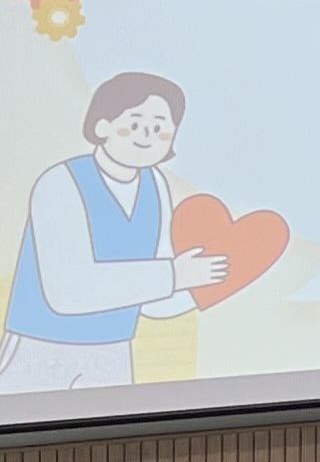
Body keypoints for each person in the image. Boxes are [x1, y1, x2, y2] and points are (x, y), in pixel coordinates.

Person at [6, 74, 227, 392]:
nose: (147, 135)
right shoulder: (61, 182)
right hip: (42, 345)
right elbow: (68, 292)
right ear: (101, 126)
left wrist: (205, 287)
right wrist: (174, 276)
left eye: (160, 127)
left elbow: (152, 300)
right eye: (135, 123)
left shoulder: (155, 186)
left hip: (113, 350)